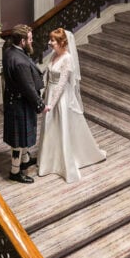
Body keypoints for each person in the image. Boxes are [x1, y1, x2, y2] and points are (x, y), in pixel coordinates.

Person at [37, 28, 106, 183]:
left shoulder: (67, 58)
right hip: (50, 93)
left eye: (53, 41)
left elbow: (61, 84)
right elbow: (48, 76)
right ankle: (50, 160)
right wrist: (42, 94)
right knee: (51, 126)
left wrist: (51, 104)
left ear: (62, 42)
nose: (49, 43)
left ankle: (66, 162)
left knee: (61, 126)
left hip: (61, 98)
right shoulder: (55, 55)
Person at [2, 24, 45, 183]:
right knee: (18, 141)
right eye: (30, 39)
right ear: (22, 41)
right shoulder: (19, 61)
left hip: (15, 101)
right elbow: (28, 88)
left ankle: (25, 160)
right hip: (20, 103)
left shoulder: (9, 52)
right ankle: (14, 171)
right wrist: (40, 105)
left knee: (22, 137)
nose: (32, 42)